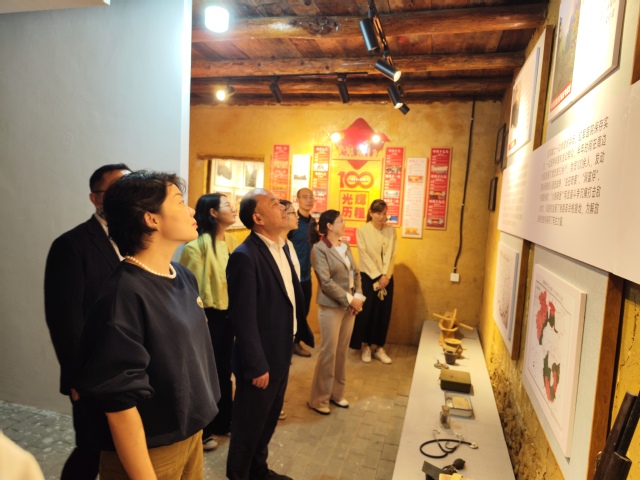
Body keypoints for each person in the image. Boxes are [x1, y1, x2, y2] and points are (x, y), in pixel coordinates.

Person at [75, 171, 220, 480]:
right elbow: (119, 402)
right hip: (150, 448)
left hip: (189, 434)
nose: (190, 210)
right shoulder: (123, 294)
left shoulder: (182, 275)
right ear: (151, 219)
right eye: (179, 202)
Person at [44, 163, 130, 480]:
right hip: (94, 372)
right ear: (95, 198)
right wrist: (77, 376)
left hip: (131, 368)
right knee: (92, 449)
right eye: (116, 190)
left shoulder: (138, 240)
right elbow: (65, 319)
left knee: (123, 449)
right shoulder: (72, 245)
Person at [226, 188, 313, 480]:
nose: (283, 207)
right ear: (258, 218)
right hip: (260, 360)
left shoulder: (281, 247)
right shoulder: (245, 256)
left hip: (280, 350)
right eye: (275, 203)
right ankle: (239, 475)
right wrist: (256, 365)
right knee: (248, 426)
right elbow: (243, 317)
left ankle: (258, 471)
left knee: (267, 420)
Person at [180, 193, 238, 450]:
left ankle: (224, 420)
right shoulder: (196, 246)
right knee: (204, 373)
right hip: (206, 318)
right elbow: (187, 289)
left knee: (224, 370)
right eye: (226, 205)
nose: (233, 208)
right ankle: (203, 429)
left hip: (228, 316)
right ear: (213, 213)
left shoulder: (232, 241)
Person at [308, 210, 363, 415]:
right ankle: (318, 399)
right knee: (328, 353)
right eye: (341, 221)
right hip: (331, 307)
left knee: (341, 352)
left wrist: (358, 297)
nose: (345, 223)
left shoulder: (345, 246)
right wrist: (350, 299)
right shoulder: (319, 249)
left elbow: (356, 273)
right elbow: (326, 282)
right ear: (329, 226)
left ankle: (337, 394)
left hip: (350, 306)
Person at [350, 199, 398, 364]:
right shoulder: (362, 230)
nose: (381, 217)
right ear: (371, 213)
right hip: (368, 277)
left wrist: (386, 276)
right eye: (378, 213)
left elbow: (392, 255)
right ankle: (366, 346)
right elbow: (364, 255)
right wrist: (378, 276)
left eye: (384, 213)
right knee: (367, 313)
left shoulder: (391, 231)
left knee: (383, 313)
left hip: (387, 279)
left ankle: (379, 347)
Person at [287, 188, 316, 357]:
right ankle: (287, 344)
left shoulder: (314, 223)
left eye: (311, 197)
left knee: (303, 311)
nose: (309, 200)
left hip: (306, 276)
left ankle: (296, 343)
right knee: (289, 312)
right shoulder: (292, 222)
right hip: (291, 276)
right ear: (297, 199)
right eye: (305, 197)